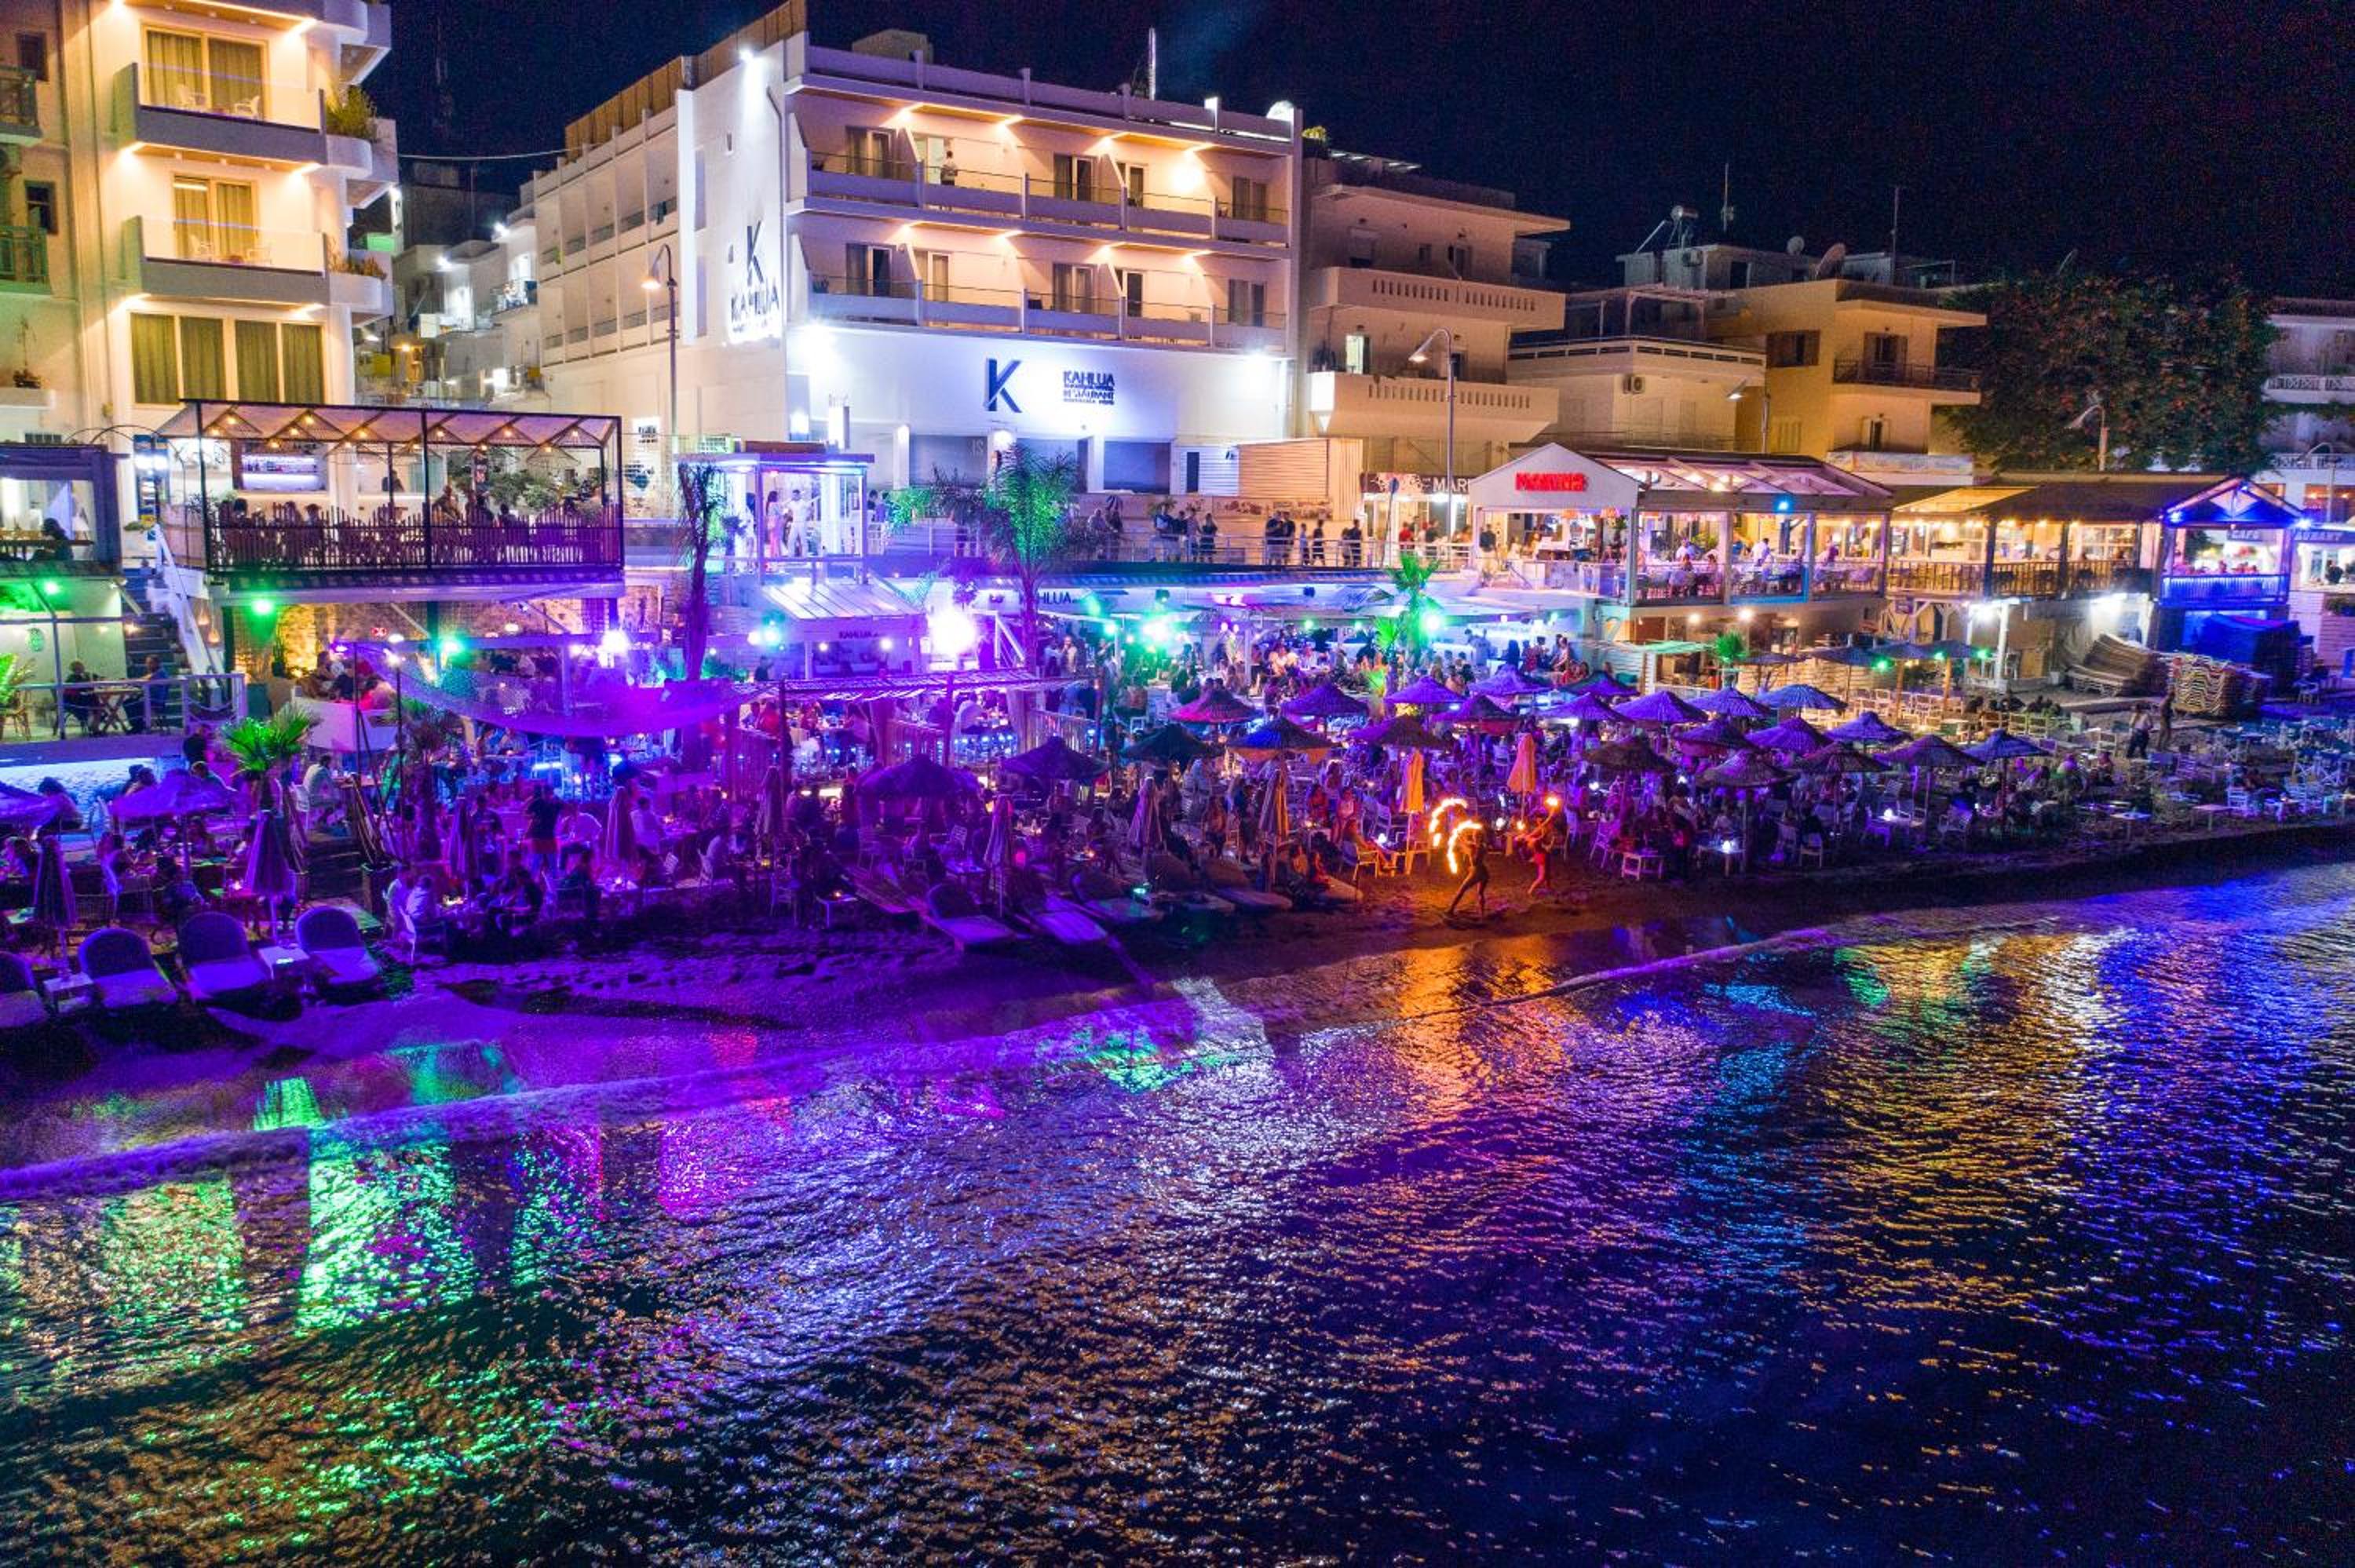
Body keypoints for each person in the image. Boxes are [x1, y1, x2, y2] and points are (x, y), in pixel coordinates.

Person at [1444, 822, 1494, 918]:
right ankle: (1482, 914)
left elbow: (1475, 862)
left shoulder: (1479, 848)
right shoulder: (1480, 846)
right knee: (1480, 893)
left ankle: (1450, 910)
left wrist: (1469, 852)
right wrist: (1459, 835)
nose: (1473, 837)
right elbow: (1465, 842)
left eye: (1474, 836)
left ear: (1478, 837)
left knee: (1462, 890)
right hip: (1484, 872)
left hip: (1476, 872)